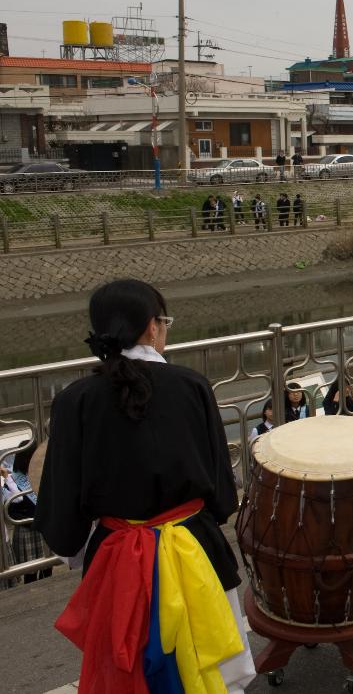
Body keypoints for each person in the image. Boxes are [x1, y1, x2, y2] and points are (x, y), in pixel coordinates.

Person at [33, 279, 255, 693]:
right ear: (152, 328)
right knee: (210, 671)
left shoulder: (74, 400)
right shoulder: (192, 386)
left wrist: (80, 547)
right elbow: (222, 494)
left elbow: (63, 515)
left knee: (128, 673)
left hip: (118, 562)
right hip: (194, 553)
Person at [2, 439, 51, 586]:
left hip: (43, 528)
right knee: (30, 573)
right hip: (27, 530)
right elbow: (11, 511)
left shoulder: (41, 474)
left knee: (47, 568)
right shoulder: (12, 479)